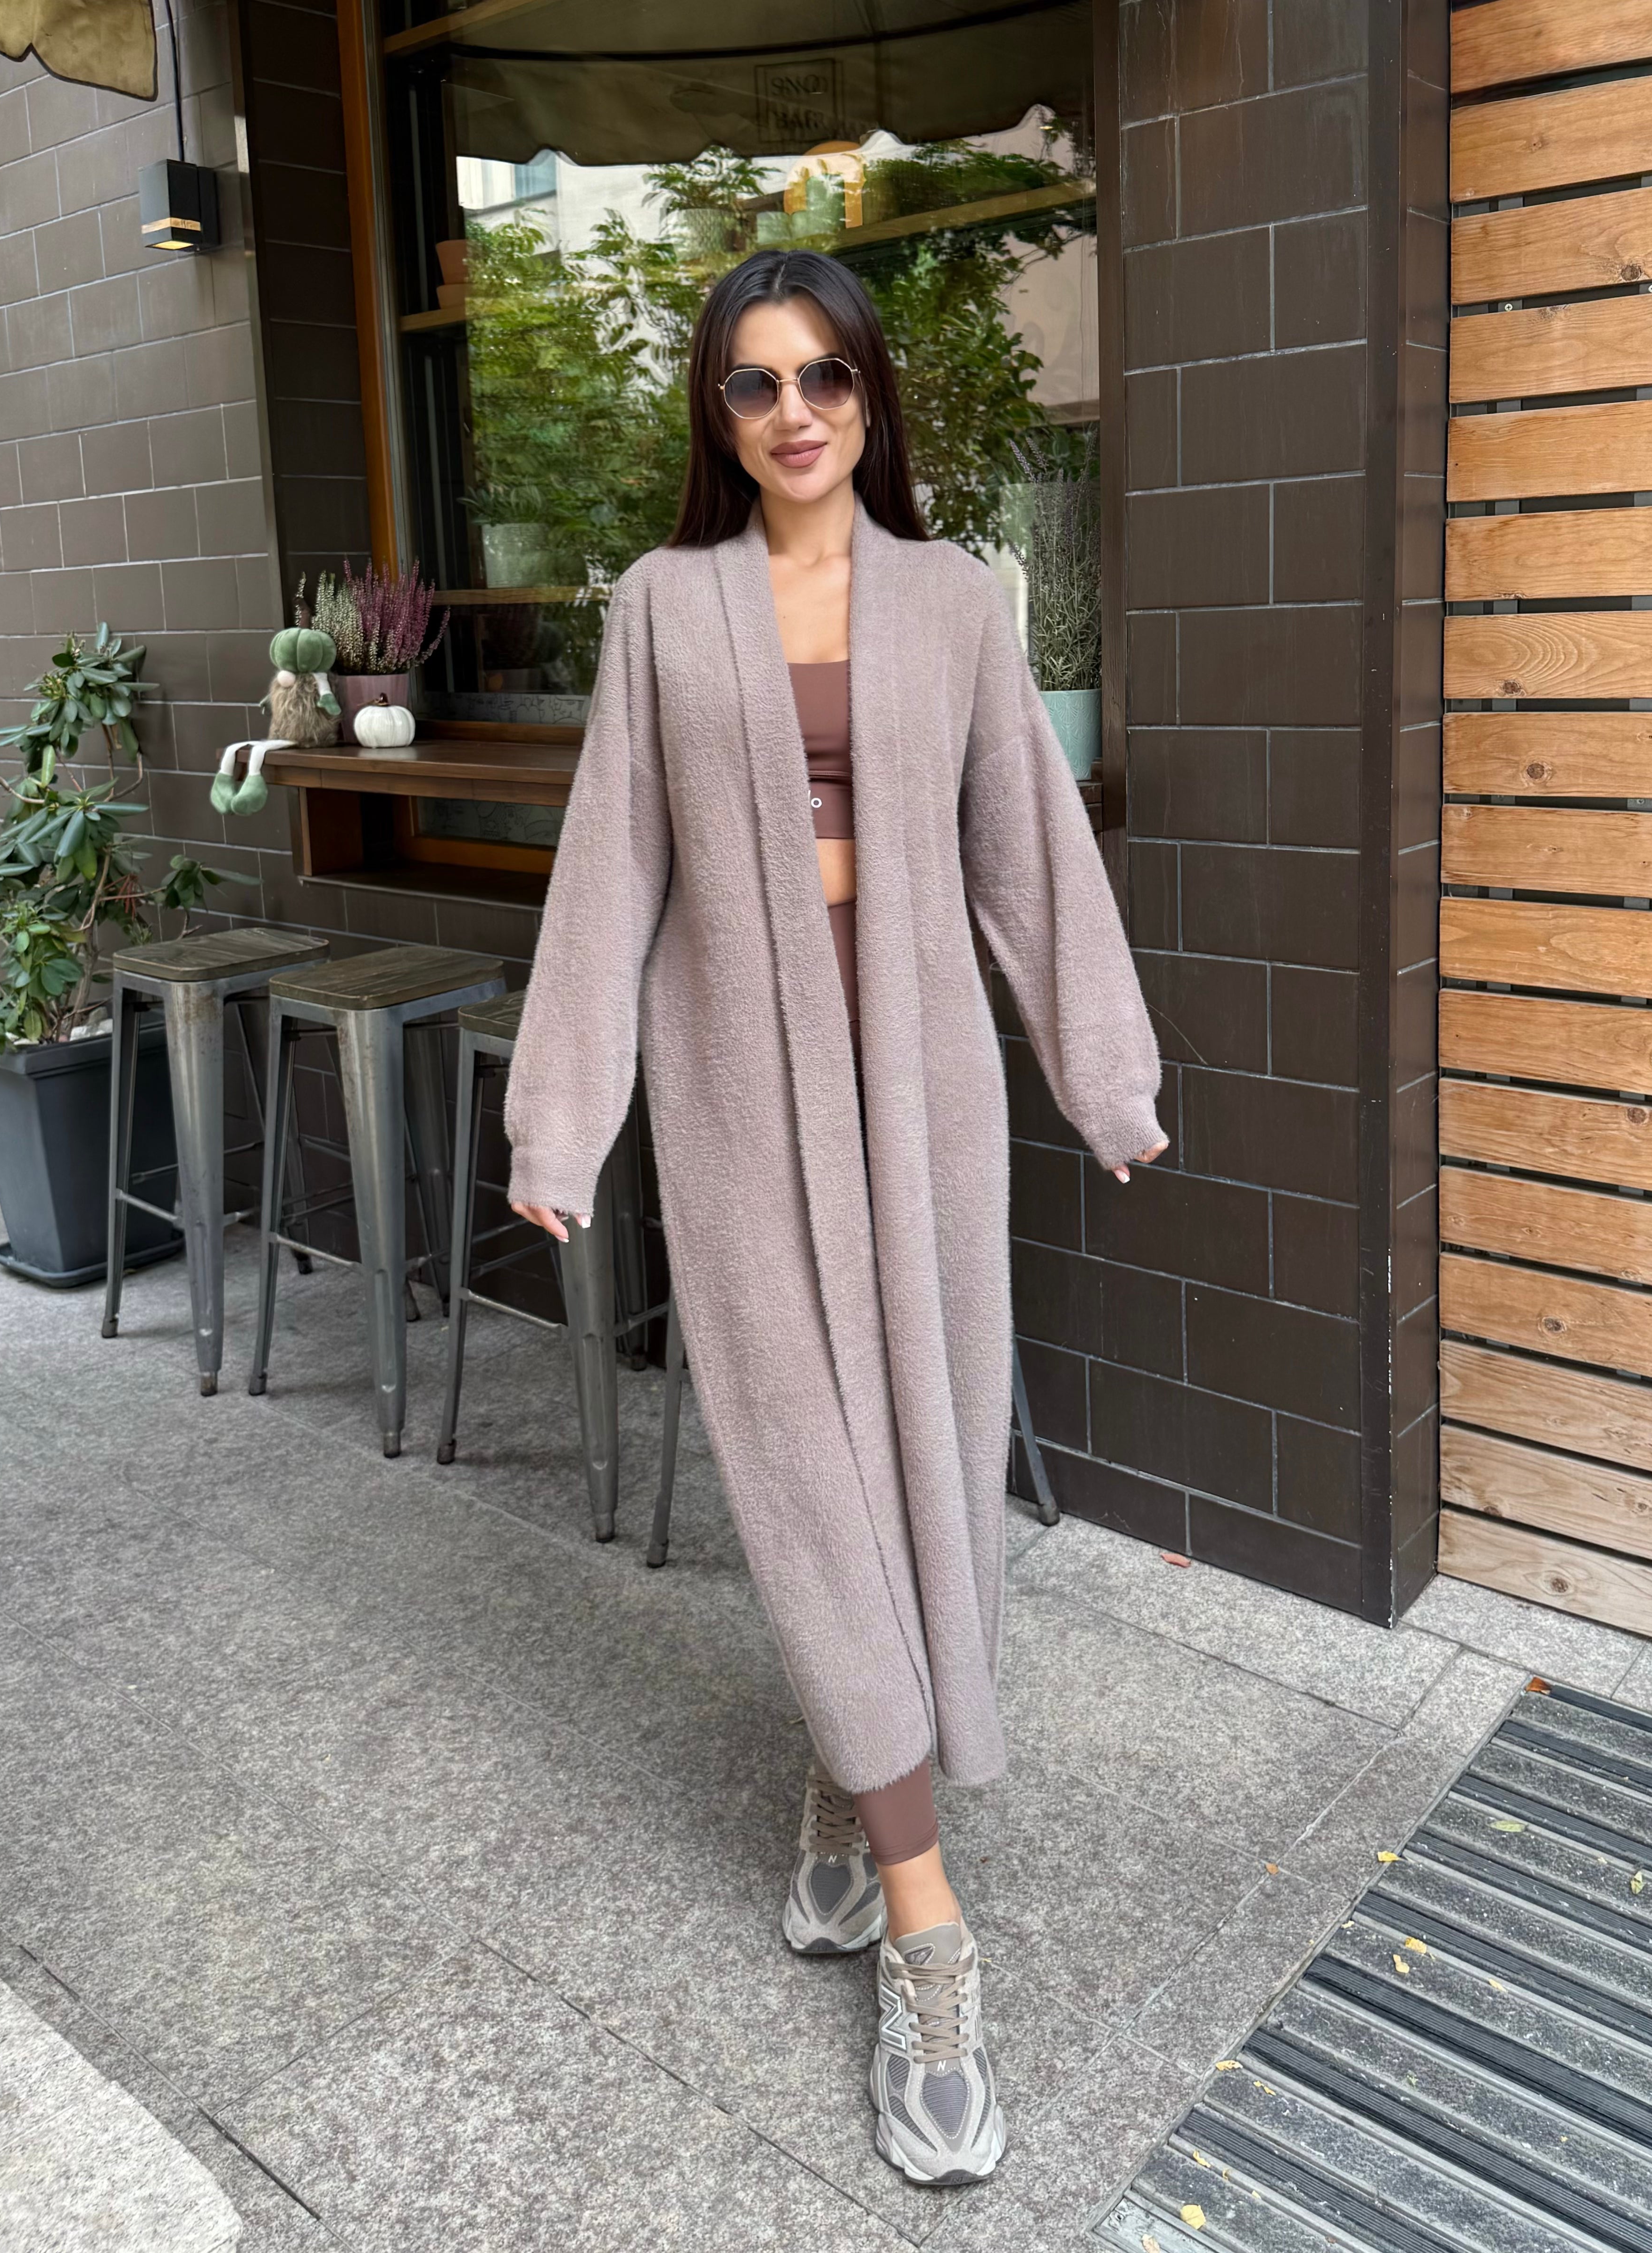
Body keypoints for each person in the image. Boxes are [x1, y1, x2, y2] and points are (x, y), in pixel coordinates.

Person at [505, 247, 1165, 2186]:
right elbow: (610, 864)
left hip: (921, 1091)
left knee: (925, 1462)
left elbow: (1025, 853)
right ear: (715, 417)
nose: (791, 413)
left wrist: (1100, 1076)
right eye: (753, 383)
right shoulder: (664, 605)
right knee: (800, 1471)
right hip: (735, 1093)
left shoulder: (954, 600)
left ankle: (841, 1775)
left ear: (870, 398)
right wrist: (563, 1117)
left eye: (823, 378)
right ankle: (931, 1938)